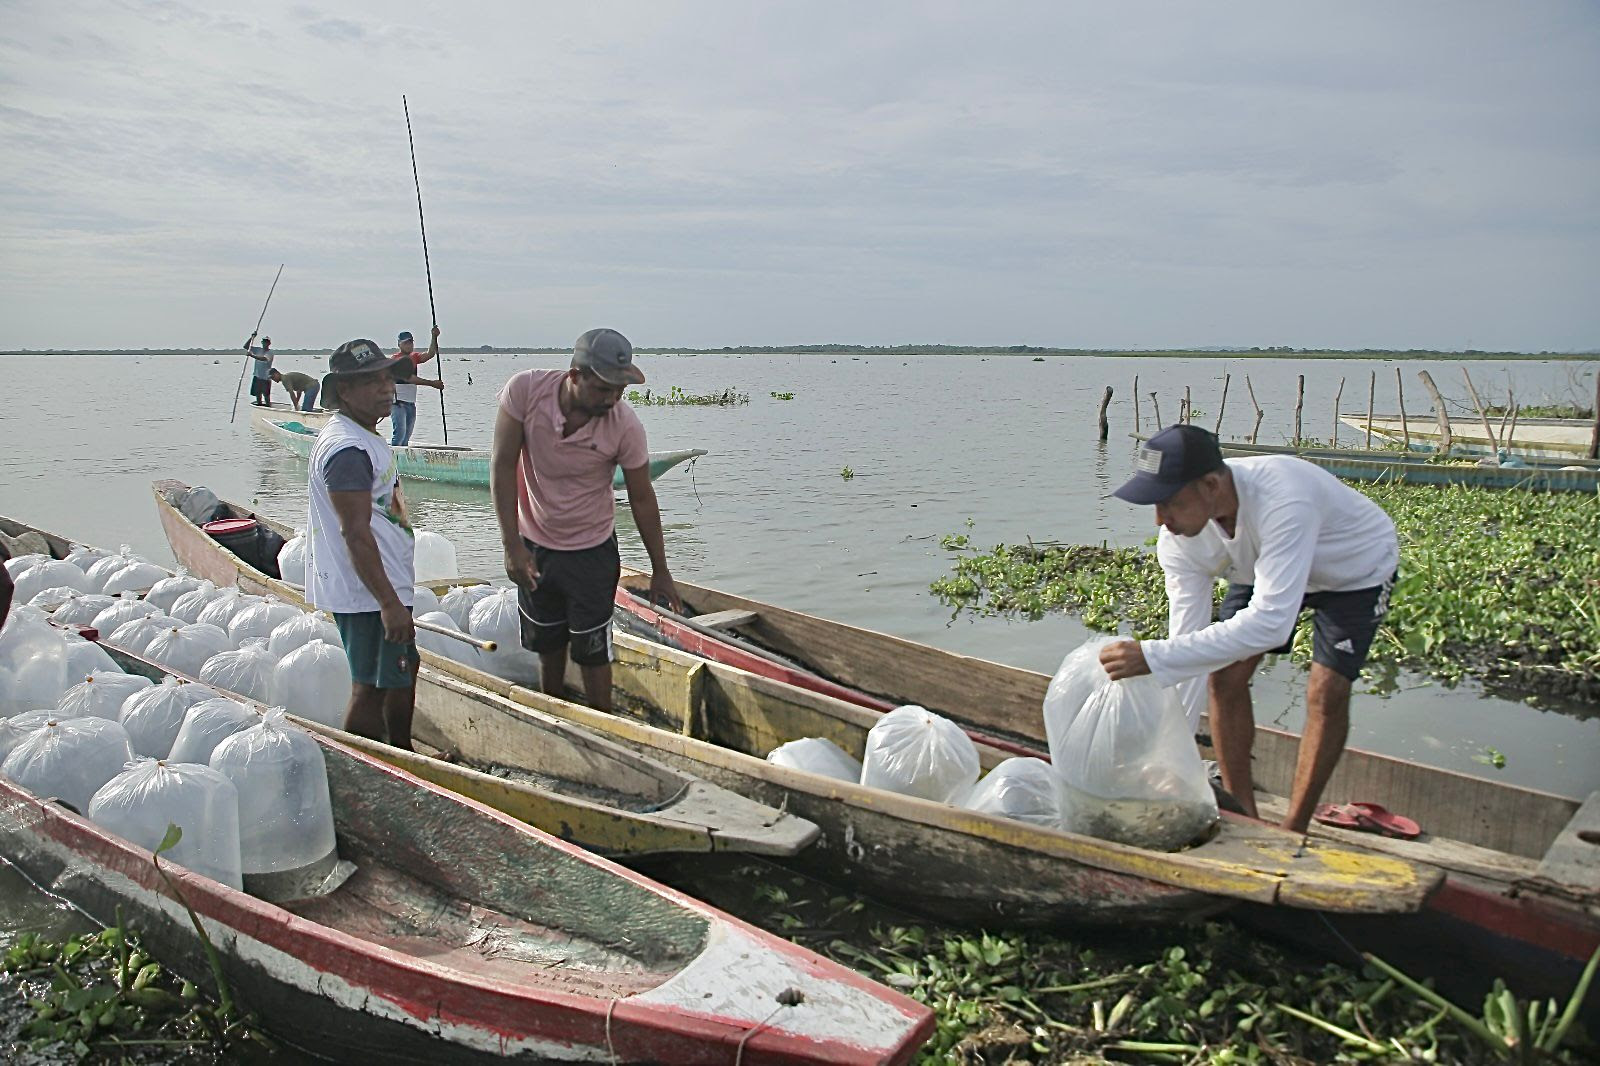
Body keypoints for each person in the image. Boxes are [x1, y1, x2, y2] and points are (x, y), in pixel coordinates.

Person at [1098, 424, 1398, 833]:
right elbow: (1186, 648)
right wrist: (1171, 756)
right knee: (1224, 676)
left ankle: (1294, 827)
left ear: (1210, 485)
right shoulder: (1181, 538)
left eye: (1168, 502)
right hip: (1263, 564)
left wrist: (1150, 656)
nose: (1159, 519)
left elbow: (1271, 625)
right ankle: (1245, 815)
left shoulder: (1284, 500)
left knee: (1326, 692)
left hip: (1352, 570)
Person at [490, 328, 681, 712]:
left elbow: (642, 497)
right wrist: (512, 547)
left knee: (593, 649)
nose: (612, 399)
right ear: (575, 376)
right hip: (534, 544)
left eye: (620, 391)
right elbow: (502, 465)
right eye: (604, 389)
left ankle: (604, 721)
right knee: (548, 641)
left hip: (591, 550)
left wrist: (661, 570)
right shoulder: (525, 392)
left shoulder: (624, 426)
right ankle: (554, 709)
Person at [304, 338, 421, 750]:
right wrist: (388, 602)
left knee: (398, 672)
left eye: (387, 378)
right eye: (370, 382)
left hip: (380, 587)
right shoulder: (347, 448)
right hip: (368, 594)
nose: (386, 388)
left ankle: (402, 752)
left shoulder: (363, 435)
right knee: (371, 685)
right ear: (345, 391)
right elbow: (354, 531)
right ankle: (369, 763)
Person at [391, 326, 444, 446]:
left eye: (410, 342)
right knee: (399, 434)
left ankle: (401, 463)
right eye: (405, 343)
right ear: (399, 344)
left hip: (410, 402)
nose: (409, 345)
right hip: (397, 402)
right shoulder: (396, 359)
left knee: (406, 437)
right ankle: (390, 461)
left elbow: (430, 353)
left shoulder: (413, 357)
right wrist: (432, 383)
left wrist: (434, 337)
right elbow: (409, 377)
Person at [243, 334, 275, 406]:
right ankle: (259, 405)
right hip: (257, 377)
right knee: (258, 395)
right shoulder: (258, 350)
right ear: (262, 342)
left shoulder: (270, 353)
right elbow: (246, 346)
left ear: (269, 343)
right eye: (264, 342)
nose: (265, 343)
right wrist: (252, 337)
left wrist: (252, 355)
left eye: (266, 342)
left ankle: (268, 407)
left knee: (266, 395)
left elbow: (264, 359)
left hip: (266, 378)